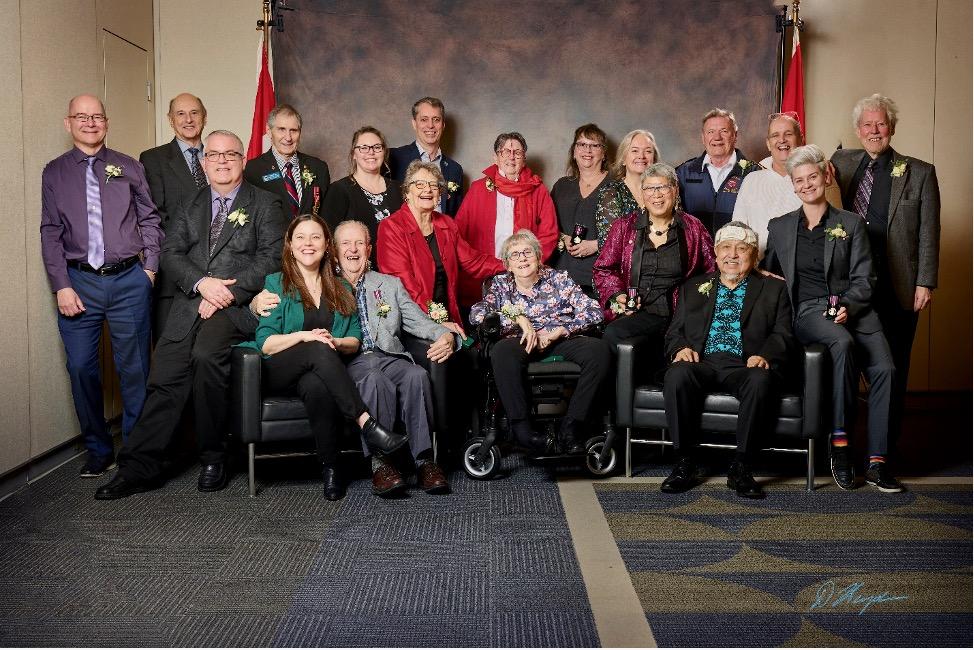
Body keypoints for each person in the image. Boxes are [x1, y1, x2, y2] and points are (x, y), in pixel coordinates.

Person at [94, 130, 286, 500]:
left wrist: (224, 292)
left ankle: (214, 455)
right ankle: (137, 467)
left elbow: (271, 259)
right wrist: (201, 284)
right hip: (190, 304)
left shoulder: (266, 203)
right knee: (165, 373)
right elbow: (171, 254)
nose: (223, 161)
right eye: (214, 155)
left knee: (206, 358)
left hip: (237, 308)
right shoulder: (190, 204)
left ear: (243, 160)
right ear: (203, 162)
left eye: (231, 154)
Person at [236, 215, 408, 500]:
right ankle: (367, 423)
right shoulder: (276, 283)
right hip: (279, 368)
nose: (308, 244)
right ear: (290, 245)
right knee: (317, 348)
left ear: (327, 245)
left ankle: (331, 469)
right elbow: (265, 343)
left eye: (315, 237)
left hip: (321, 371)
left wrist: (334, 341)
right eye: (300, 237)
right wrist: (307, 337)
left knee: (317, 384)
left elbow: (354, 340)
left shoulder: (340, 287)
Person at [764, 144, 900, 493]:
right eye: (800, 180)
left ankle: (878, 462)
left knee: (885, 369)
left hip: (857, 310)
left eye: (812, 177)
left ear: (825, 177)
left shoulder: (851, 224)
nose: (807, 184)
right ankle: (840, 446)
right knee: (841, 342)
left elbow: (865, 278)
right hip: (810, 312)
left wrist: (849, 307)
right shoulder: (779, 228)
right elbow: (770, 276)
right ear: (792, 186)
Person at [41, 94, 163, 478]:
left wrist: (151, 269)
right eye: (82, 116)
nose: (90, 123)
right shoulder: (54, 172)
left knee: (135, 369)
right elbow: (50, 231)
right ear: (68, 123)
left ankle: (135, 452)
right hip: (79, 282)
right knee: (80, 368)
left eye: (97, 117)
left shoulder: (128, 166)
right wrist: (61, 284)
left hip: (130, 279)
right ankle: (97, 448)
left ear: (106, 123)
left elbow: (150, 218)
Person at [830, 93, 940, 449]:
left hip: (898, 286)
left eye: (881, 123)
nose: (874, 130)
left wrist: (925, 281)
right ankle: (844, 447)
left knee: (893, 369)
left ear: (891, 127)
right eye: (867, 124)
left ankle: (884, 451)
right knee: (846, 364)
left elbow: (928, 232)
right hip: (849, 284)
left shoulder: (919, 172)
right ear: (858, 130)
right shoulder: (840, 163)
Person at [660, 222, 795, 499]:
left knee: (761, 379)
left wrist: (765, 355)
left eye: (742, 248)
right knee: (677, 374)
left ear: (754, 255)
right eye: (726, 248)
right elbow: (674, 332)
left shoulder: (774, 289)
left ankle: (742, 466)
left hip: (745, 365)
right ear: (715, 253)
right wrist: (681, 348)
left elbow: (783, 333)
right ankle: (684, 462)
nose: (732, 254)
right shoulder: (693, 286)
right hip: (702, 361)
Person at [335, 220, 455, 496]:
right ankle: (381, 464)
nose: (353, 250)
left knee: (417, 375)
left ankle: (425, 460)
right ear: (334, 251)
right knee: (374, 379)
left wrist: (445, 335)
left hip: (389, 355)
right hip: (351, 360)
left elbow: (417, 320)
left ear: (369, 249)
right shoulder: (324, 284)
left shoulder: (388, 284)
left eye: (359, 243)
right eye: (345, 244)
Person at [469, 230, 608, 455]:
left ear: (538, 256)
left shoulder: (559, 279)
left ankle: (571, 427)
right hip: (520, 341)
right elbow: (478, 314)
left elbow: (594, 311)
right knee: (502, 351)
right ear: (508, 264)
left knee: (599, 350)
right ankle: (523, 431)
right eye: (515, 255)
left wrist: (560, 330)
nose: (522, 258)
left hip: (559, 339)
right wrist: (517, 318)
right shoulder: (501, 284)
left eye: (528, 252)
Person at [593, 163, 716, 351]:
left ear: (675, 190)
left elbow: (712, 271)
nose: (656, 194)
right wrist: (618, 295)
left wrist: (697, 304)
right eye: (650, 188)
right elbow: (603, 268)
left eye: (663, 187)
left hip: (678, 311)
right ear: (642, 194)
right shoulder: (624, 227)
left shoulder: (693, 227)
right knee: (613, 333)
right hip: (635, 311)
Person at [378, 160, 504, 331]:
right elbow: (404, 285)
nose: (428, 189)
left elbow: (473, 261)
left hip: (449, 317)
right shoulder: (391, 227)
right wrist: (436, 323)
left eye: (434, 185)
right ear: (407, 191)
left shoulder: (446, 224)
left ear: (439, 195)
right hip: (412, 320)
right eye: (420, 184)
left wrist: (510, 265)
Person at [454, 132, 558, 310]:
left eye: (517, 152)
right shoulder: (478, 189)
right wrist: (481, 264)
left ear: (524, 158)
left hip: (524, 274)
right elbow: (458, 235)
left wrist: (526, 264)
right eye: (505, 152)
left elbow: (550, 234)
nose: (511, 156)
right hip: (484, 274)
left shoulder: (538, 190)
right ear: (495, 157)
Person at [140, 92, 208, 341]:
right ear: (170, 120)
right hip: (174, 277)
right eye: (180, 113)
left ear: (204, 117)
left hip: (220, 275)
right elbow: (155, 217)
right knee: (170, 354)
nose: (188, 119)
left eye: (194, 113)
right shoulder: (153, 159)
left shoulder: (220, 156)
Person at [676, 108, 763, 234]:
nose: (717, 137)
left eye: (724, 131)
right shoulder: (684, 173)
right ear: (703, 137)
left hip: (736, 251)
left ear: (735, 135)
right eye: (711, 132)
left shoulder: (753, 173)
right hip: (696, 252)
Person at [321, 126, 401, 260]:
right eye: (363, 148)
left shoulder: (399, 188)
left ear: (384, 152)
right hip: (357, 271)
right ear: (354, 154)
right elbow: (328, 237)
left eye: (377, 147)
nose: (371, 152)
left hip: (398, 268)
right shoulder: (339, 190)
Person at [549, 123, 611, 296]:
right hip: (561, 276)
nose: (587, 150)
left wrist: (596, 245)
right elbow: (546, 224)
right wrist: (562, 237)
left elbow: (630, 233)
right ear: (574, 152)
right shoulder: (562, 186)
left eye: (594, 145)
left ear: (604, 153)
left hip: (600, 278)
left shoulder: (617, 186)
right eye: (582, 144)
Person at [731, 112, 804, 256]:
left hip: (801, 268)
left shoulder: (812, 180)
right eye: (775, 135)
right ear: (768, 144)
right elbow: (738, 230)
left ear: (800, 139)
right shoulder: (751, 180)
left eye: (788, 134)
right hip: (758, 269)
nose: (782, 140)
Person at [243, 103, 330, 218]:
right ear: (269, 131)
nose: (288, 138)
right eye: (281, 129)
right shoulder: (253, 169)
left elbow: (325, 214)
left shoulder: (318, 167)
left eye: (293, 130)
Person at [388, 97, 464, 216]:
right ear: (414, 123)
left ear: (443, 125)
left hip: (441, 233)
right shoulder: (394, 158)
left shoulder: (455, 169)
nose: (430, 125)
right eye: (424, 119)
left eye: (436, 120)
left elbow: (457, 217)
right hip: (404, 232)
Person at [594, 129, 661, 248]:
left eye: (648, 151)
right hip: (626, 266)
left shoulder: (666, 190)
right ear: (623, 159)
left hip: (666, 264)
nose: (641, 156)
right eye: (635, 151)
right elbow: (609, 246)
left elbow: (679, 233)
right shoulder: (611, 192)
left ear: (654, 159)